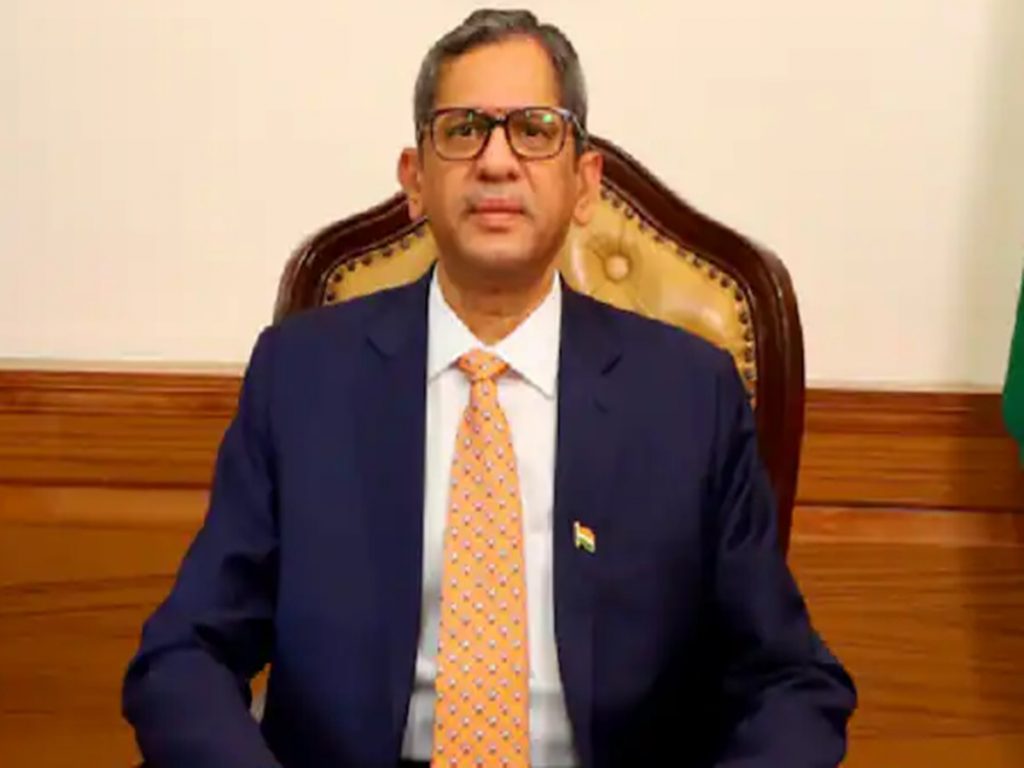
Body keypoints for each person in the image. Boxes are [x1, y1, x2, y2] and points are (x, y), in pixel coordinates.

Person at [123, 9, 855, 768]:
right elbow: (184, 653)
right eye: (464, 129)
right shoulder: (304, 377)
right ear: (415, 181)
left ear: (584, 184)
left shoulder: (687, 397)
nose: (497, 161)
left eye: (535, 130)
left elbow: (792, 681)